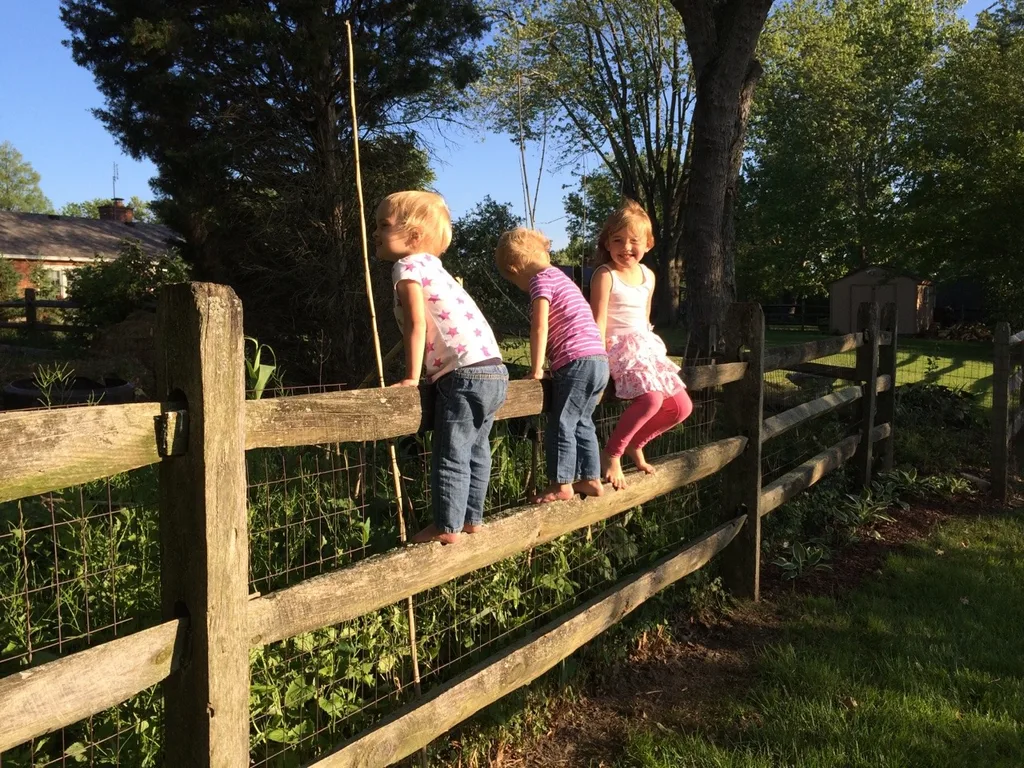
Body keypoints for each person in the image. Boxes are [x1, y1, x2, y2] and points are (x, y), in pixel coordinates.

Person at [375, 190, 508, 544]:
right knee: (477, 449)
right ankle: (472, 519)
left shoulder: (405, 267)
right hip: (493, 368)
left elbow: (417, 324)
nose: (376, 232)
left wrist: (411, 377)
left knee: (451, 452)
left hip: (461, 372)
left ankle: (447, 527)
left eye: (383, 225)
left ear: (414, 236)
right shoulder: (437, 268)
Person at [495, 228, 609, 503]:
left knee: (561, 422)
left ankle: (561, 483)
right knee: (583, 420)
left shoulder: (539, 281)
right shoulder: (562, 278)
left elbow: (539, 325)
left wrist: (536, 370)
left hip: (576, 360)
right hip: (599, 360)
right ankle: (590, 477)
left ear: (514, 268)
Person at [590, 200, 693, 490]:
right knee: (651, 399)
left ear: (648, 244)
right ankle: (612, 452)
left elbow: (645, 317)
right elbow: (598, 319)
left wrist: (649, 347)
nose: (626, 248)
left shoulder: (648, 275)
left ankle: (637, 443)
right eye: (618, 240)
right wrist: (598, 359)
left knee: (680, 407)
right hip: (617, 348)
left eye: (634, 241)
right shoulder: (605, 275)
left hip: (644, 346)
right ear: (607, 243)